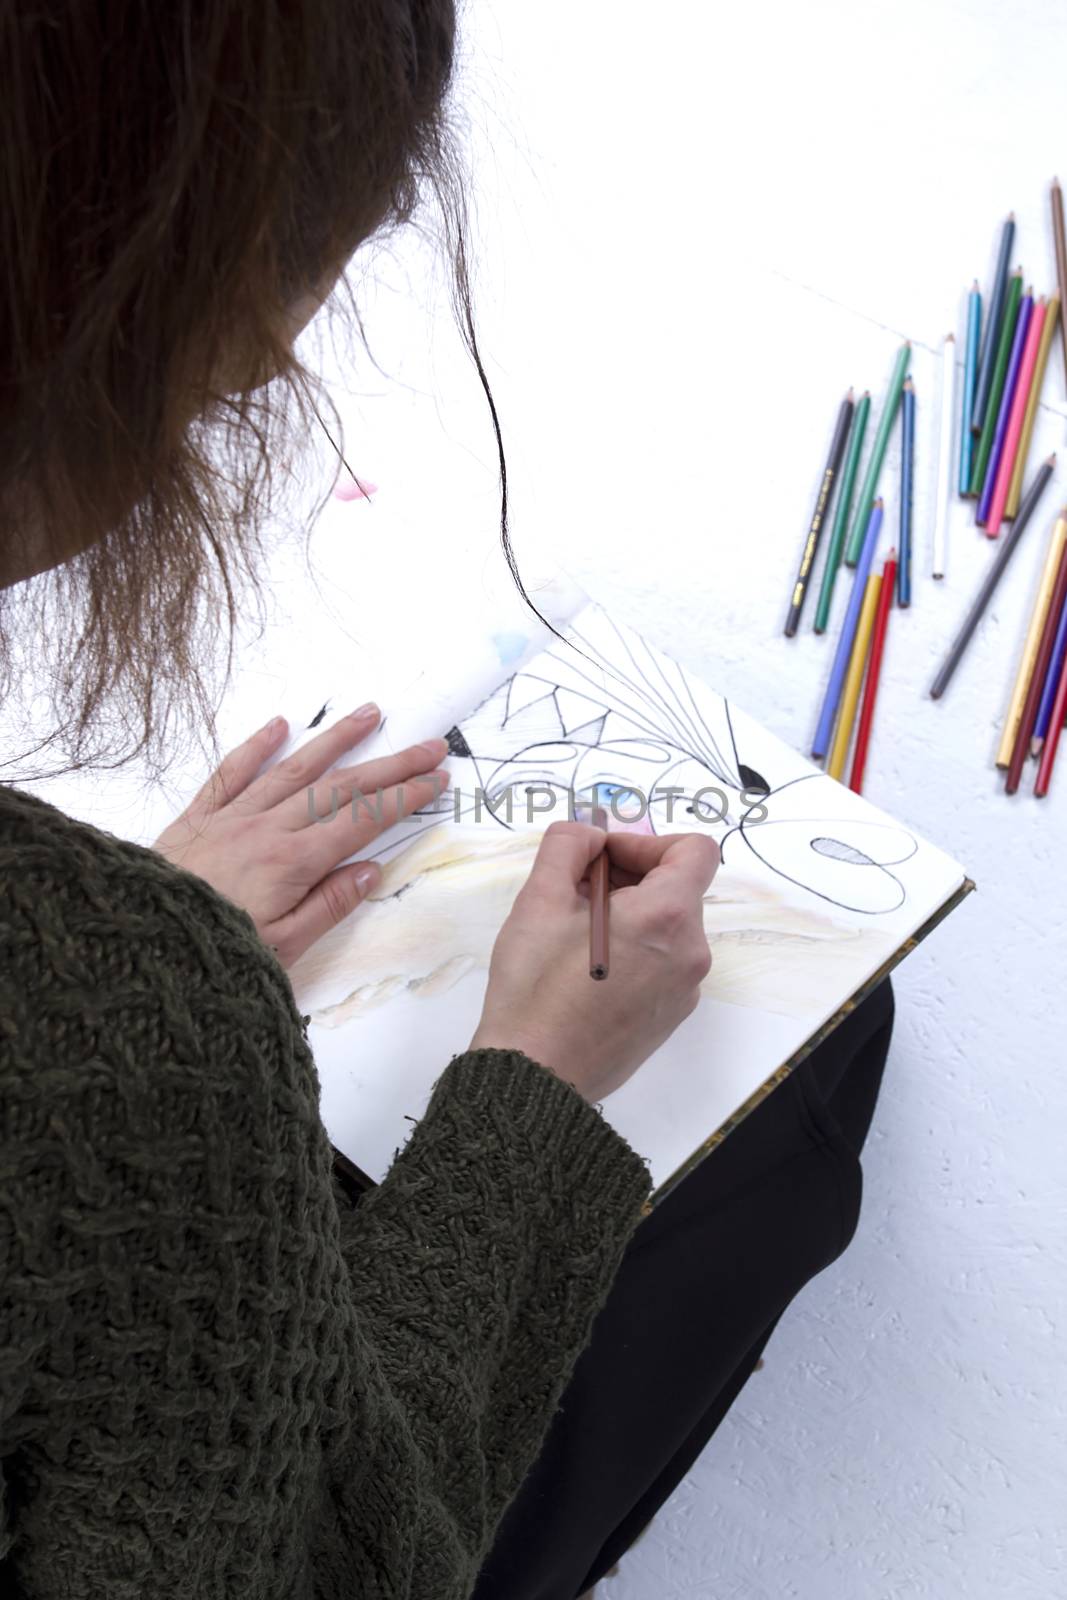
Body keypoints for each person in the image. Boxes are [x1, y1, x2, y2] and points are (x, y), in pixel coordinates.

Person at [0, 5, 892, 1598]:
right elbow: (333, 1560)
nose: (274, 360)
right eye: (249, 308)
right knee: (816, 1060)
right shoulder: (128, 1016)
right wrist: (533, 1084)